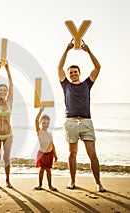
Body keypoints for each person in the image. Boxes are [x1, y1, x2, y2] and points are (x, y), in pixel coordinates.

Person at [58, 39, 105, 192]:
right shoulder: (66, 85)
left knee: (92, 153)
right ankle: (72, 181)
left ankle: (98, 183)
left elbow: (97, 67)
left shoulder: (87, 84)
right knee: (72, 153)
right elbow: (59, 67)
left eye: (75, 72)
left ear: (79, 73)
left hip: (86, 122)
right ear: (68, 75)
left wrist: (88, 51)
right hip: (71, 122)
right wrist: (66, 50)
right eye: (70, 72)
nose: (73, 74)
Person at [34, 107, 58, 191]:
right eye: (44, 123)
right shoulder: (39, 132)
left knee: (48, 170)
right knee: (42, 169)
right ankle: (40, 185)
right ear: (41, 123)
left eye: (47, 123)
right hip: (42, 154)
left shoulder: (49, 133)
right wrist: (40, 111)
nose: (46, 125)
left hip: (50, 153)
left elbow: (52, 144)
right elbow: (36, 121)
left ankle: (50, 185)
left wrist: (55, 154)